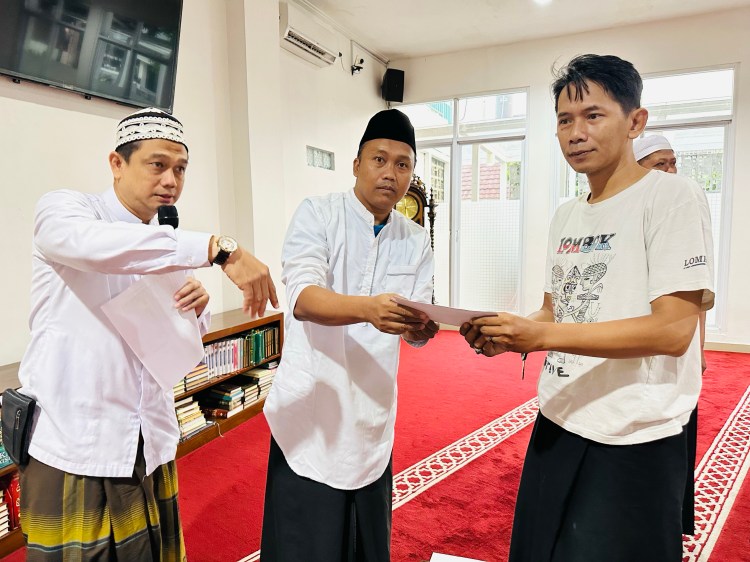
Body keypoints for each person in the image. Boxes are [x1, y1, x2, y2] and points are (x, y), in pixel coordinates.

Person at [461, 55, 714, 561]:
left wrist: (541, 336)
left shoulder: (671, 197)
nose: (576, 133)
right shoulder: (567, 215)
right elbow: (556, 311)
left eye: (593, 115)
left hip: (633, 432)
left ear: (635, 122)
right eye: (564, 120)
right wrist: (508, 333)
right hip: (559, 414)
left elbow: (672, 331)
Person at [17, 107, 278, 561]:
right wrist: (216, 248)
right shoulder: (68, 210)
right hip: (75, 442)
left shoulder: (164, 238)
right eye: (157, 165)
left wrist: (197, 308)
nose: (171, 181)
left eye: (181, 169)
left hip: (147, 438)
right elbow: (93, 247)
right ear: (117, 163)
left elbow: (174, 343)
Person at [260, 109, 439, 562]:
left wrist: (422, 329)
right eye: (379, 159)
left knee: (366, 546)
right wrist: (369, 309)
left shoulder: (415, 239)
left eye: (402, 164)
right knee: (306, 546)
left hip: (372, 412)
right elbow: (303, 298)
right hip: (313, 408)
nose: (390, 173)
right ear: (356, 164)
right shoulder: (318, 214)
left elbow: (416, 325)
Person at [634, 133, 713, 535]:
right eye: (659, 164)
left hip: (671, 344)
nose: (670, 171)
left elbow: (695, 290)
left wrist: (699, 348)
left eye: (672, 162)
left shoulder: (686, 198)